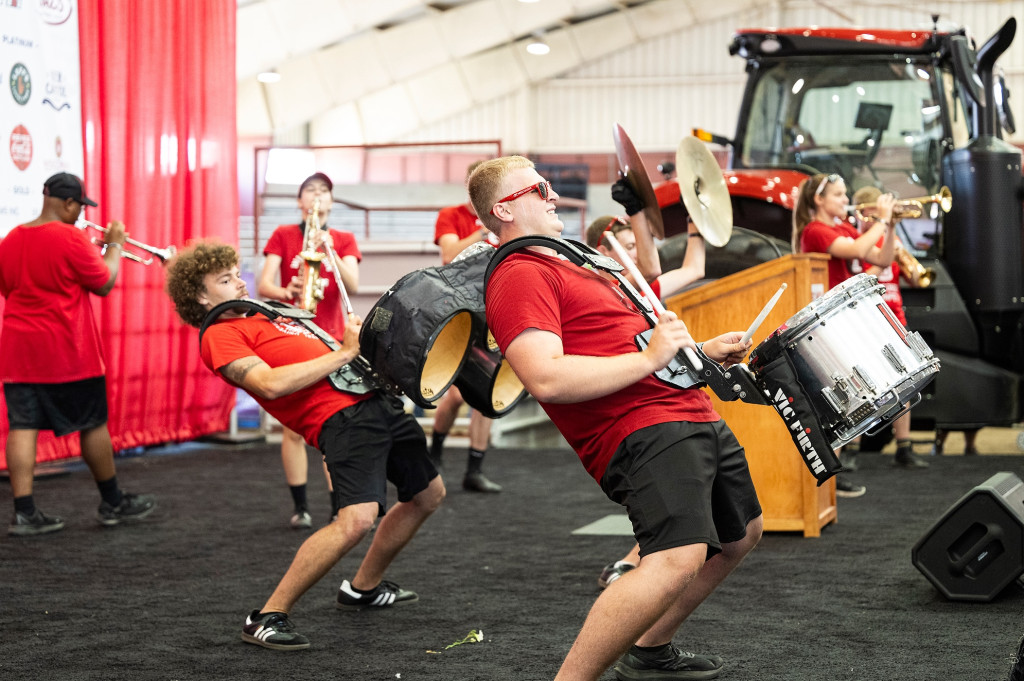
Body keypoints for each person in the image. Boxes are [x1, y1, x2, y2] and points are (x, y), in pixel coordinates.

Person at [479, 155, 763, 681]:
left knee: (741, 532)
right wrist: (651, 359)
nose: (552, 195)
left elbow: (628, 339)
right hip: (640, 424)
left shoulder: (573, 261)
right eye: (538, 189)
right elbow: (545, 376)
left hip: (683, 407)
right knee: (676, 557)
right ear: (503, 209)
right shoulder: (518, 272)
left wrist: (697, 352)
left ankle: (650, 651)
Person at [165, 241, 444, 651]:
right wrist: (345, 352)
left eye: (237, 273)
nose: (240, 282)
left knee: (427, 495)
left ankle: (362, 589)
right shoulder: (220, 334)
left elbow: (337, 355)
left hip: (376, 403)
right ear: (201, 297)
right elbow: (269, 384)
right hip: (342, 420)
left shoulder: (274, 315)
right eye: (225, 280)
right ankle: (266, 616)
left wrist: (359, 347)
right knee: (356, 520)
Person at [0, 172, 156, 536]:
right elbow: (103, 282)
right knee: (92, 423)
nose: (79, 213)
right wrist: (114, 244)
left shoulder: (10, 239)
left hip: (19, 352)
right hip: (68, 350)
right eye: (79, 206)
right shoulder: (71, 237)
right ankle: (113, 501)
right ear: (68, 203)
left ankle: (24, 512)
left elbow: (7, 290)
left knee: (23, 427)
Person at [585, 180, 708, 589]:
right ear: (604, 251)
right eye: (628, 244)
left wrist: (697, 227)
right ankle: (633, 563)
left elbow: (693, 270)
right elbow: (653, 267)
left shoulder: (641, 292)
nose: (638, 251)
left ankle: (635, 559)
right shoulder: (601, 291)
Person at [257, 172, 362, 527]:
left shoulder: (344, 239)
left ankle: (337, 507)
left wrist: (329, 247)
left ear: (331, 201)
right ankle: (300, 507)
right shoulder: (284, 235)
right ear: (300, 202)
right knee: (292, 429)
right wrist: (286, 290)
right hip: (291, 337)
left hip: (330, 338)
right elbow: (264, 284)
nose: (317, 196)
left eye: (324, 191)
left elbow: (354, 283)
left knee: (333, 424)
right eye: (310, 190)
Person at [793, 173, 900, 497]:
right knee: (836, 400)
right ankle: (828, 478)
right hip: (824, 326)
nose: (845, 200)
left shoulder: (844, 227)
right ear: (819, 200)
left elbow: (882, 259)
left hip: (843, 321)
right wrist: (881, 220)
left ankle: (832, 476)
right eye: (839, 195)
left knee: (846, 399)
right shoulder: (815, 231)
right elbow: (854, 248)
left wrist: (890, 226)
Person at [428, 160, 502, 493]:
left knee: (488, 391)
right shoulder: (451, 215)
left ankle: (475, 468)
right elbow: (449, 254)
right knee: (456, 397)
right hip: (459, 311)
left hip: (494, 309)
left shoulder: (505, 215)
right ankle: (435, 454)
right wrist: (485, 229)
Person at [847, 185, 929, 469]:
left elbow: (917, 281)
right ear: (860, 213)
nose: (874, 220)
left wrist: (904, 259)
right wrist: (885, 257)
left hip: (895, 316)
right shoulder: (856, 243)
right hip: (865, 318)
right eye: (870, 215)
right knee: (860, 382)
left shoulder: (889, 239)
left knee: (906, 380)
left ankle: (904, 447)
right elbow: (853, 282)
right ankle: (852, 449)